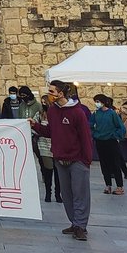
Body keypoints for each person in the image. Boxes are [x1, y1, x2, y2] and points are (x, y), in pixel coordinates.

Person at [32, 80, 93, 240]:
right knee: (66, 194)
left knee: (80, 194)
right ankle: (74, 222)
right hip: (60, 158)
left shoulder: (77, 112)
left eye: (52, 92)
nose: (49, 94)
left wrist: (86, 160)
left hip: (77, 159)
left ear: (61, 93)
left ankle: (81, 225)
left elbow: (85, 137)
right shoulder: (52, 111)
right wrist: (35, 126)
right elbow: (51, 131)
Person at [91, 94, 127, 195]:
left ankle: (119, 186)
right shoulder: (95, 113)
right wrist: (94, 134)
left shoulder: (112, 113)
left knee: (115, 163)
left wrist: (115, 135)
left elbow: (120, 127)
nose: (96, 103)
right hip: (100, 141)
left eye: (98, 101)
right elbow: (90, 125)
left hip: (111, 141)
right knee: (104, 164)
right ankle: (108, 185)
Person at [33, 104, 62, 204]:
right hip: (44, 147)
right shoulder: (39, 115)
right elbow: (34, 127)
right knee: (48, 171)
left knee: (58, 173)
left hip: (57, 146)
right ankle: (48, 193)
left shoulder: (57, 114)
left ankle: (58, 194)